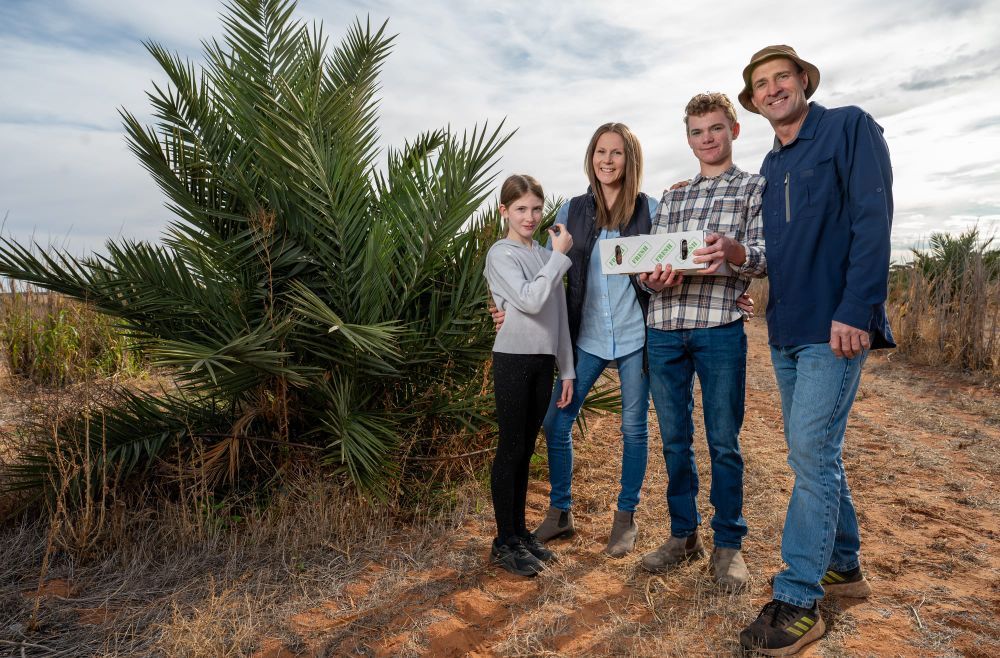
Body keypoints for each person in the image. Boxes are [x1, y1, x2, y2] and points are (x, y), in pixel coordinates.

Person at [734, 46, 894, 656]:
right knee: (816, 453)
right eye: (761, 85)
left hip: (835, 327)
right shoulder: (772, 166)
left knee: (810, 453)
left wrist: (858, 308)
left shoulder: (847, 127)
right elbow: (778, 252)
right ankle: (844, 568)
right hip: (787, 330)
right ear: (754, 102)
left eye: (782, 78)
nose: (773, 89)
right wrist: (744, 271)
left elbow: (873, 219)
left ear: (803, 81)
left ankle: (800, 598)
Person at [636, 92, 766, 592]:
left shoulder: (755, 188)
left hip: (718, 328)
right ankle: (682, 536)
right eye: (696, 131)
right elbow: (651, 264)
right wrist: (654, 280)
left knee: (724, 441)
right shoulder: (672, 197)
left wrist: (734, 252)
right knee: (673, 440)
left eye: (714, 128)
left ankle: (728, 545)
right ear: (687, 138)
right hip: (664, 329)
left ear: (734, 130)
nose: (706, 138)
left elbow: (766, 255)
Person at [484, 174, 576, 577]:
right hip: (512, 359)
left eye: (537, 209)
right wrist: (559, 256)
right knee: (511, 447)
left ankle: (520, 533)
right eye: (521, 209)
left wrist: (568, 369)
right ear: (505, 210)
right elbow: (530, 300)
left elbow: (557, 317)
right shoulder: (501, 254)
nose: (530, 216)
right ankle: (503, 541)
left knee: (525, 450)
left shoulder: (544, 253)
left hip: (541, 362)